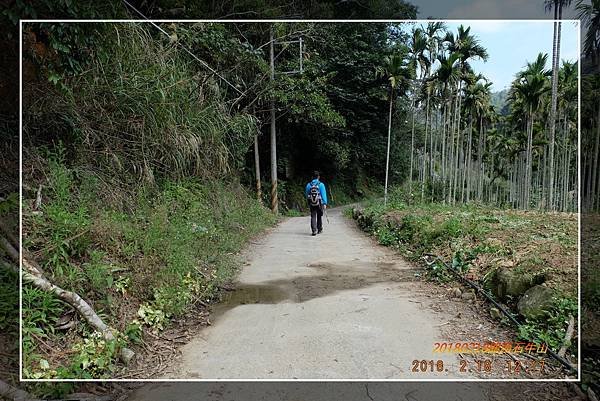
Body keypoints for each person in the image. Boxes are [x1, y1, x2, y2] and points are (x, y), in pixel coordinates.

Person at [305, 171, 328, 236]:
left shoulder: (309, 185)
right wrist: (325, 203)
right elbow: (324, 195)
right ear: (318, 177)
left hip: (311, 202)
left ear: (312, 177)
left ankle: (314, 230)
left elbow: (307, 195)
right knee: (319, 215)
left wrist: (310, 200)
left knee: (313, 215)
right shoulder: (321, 184)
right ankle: (319, 229)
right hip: (320, 202)